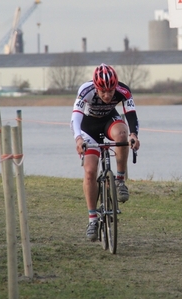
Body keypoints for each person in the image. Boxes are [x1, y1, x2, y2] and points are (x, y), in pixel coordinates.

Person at [70, 63, 140, 241]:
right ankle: (92, 219)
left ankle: (120, 181)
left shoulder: (123, 90)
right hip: (88, 128)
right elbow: (76, 117)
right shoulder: (86, 90)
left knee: (122, 135)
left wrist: (134, 135)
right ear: (96, 87)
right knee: (90, 171)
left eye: (111, 91)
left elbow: (131, 113)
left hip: (110, 121)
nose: (108, 95)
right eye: (103, 92)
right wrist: (78, 139)